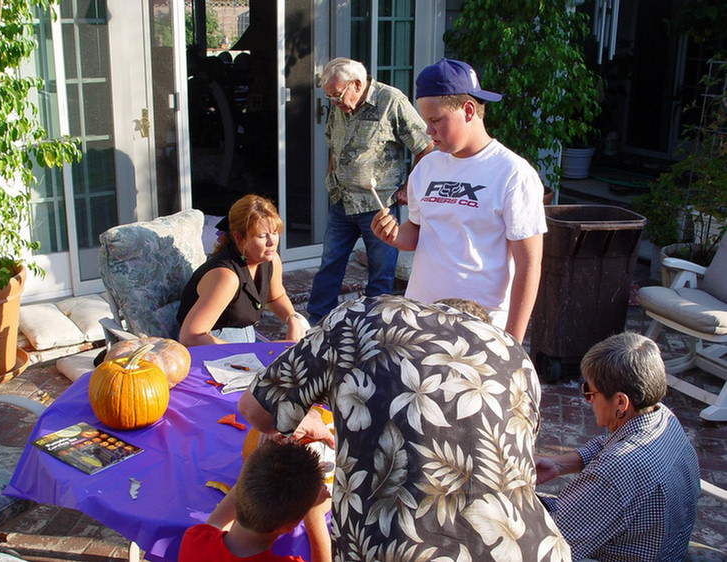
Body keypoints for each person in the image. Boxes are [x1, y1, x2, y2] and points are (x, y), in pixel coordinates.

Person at [239, 294, 571, 562]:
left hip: (396, 548)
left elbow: (255, 411)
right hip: (528, 548)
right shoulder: (510, 351)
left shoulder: (354, 319)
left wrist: (308, 412)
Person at [371, 58, 546, 343]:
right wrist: (391, 235)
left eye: (436, 120)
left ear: (467, 110)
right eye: (425, 121)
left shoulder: (513, 173)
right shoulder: (426, 168)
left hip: (479, 325)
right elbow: (414, 234)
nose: (428, 131)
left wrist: (512, 342)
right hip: (419, 316)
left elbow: (529, 264)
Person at [535, 332, 700, 562]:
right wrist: (558, 464)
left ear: (621, 402)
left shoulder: (619, 468)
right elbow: (609, 445)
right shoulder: (662, 416)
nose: (587, 400)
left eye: (590, 392)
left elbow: (548, 541)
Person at [306, 57, 434, 325]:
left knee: (381, 272)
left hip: (379, 206)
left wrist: (408, 186)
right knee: (329, 265)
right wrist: (331, 176)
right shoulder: (340, 103)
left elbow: (425, 146)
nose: (334, 102)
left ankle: (375, 327)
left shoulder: (391, 101)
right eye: (329, 97)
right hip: (342, 201)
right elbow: (332, 142)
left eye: (337, 95)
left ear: (356, 84)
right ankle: (316, 324)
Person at [177, 195, 308, 346]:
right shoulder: (226, 277)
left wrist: (293, 318)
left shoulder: (271, 260)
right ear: (239, 238)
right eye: (262, 236)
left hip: (244, 341)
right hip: (212, 346)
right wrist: (249, 352)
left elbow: (275, 296)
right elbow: (190, 337)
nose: (272, 242)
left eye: (274, 232)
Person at [178, 439, 332, 562]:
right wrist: (315, 517)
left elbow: (216, 522)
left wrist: (257, 463)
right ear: (290, 525)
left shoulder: (195, 540)